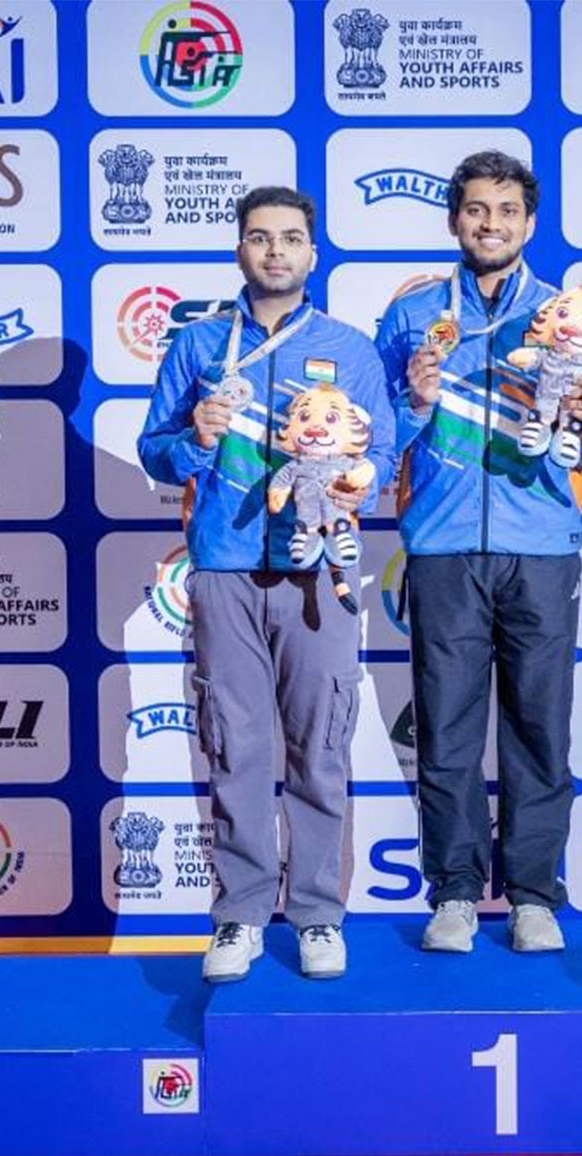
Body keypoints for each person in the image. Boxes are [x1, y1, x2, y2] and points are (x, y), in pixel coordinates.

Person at [138, 185, 396, 983]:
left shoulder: (350, 348)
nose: (275, 250)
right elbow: (154, 453)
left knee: (320, 746)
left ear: (312, 254)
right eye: (260, 237)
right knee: (235, 744)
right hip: (223, 566)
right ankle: (240, 914)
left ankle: (317, 914)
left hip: (317, 572)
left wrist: (360, 480)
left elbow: (381, 454)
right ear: (240, 250)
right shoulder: (200, 346)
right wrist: (195, 437)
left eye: (290, 238)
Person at [375, 150, 582, 954]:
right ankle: (453, 892)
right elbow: (376, 441)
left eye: (508, 211)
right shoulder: (415, 314)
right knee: (446, 729)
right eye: (478, 210)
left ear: (530, 221)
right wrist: (416, 400)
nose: (492, 224)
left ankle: (532, 895)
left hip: (543, 546)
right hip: (445, 545)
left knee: (538, 728)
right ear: (456, 219)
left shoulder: (571, 316)